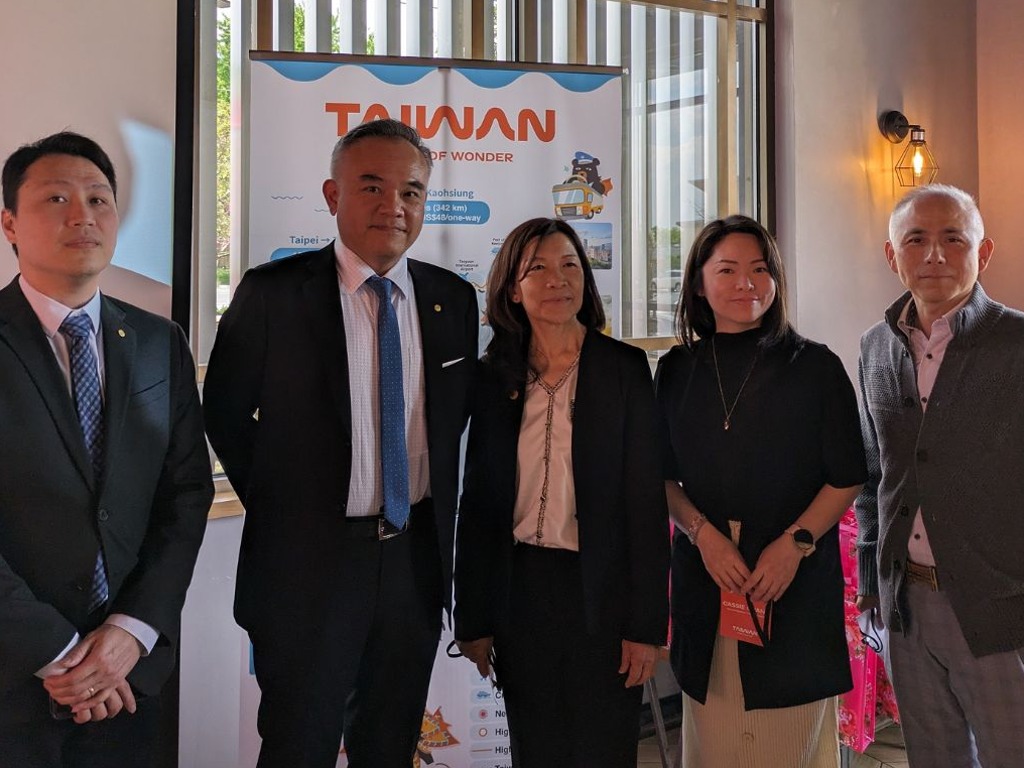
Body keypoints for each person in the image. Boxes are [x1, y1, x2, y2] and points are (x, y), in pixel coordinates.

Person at [203, 118, 478, 768]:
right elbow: (224, 413)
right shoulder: (274, 294)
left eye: (411, 191)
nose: (394, 206)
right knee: (299, 745)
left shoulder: (452, 299)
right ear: (333, 195)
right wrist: (288, 507)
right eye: (372, 187)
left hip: (412, 565)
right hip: (308, 569)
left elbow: (454, 423)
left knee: (391, 744)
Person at [0, 131, 213, 767]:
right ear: (9, 223)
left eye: (98, 199)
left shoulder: (158, 341)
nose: (83, 216)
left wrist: (130, 631)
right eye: (56, 199)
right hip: (15, 676)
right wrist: (61, 653)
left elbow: (186, 494)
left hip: (133, 676)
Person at [454, 217, 669, 767]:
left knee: (605, 748)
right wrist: (473, 618)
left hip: (603, 593)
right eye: (538, 269)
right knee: (537, 747)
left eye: (570, 265)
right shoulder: (493, 376)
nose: (558, 279)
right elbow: (478, 504)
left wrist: (646, 627)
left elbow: (646, 506)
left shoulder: (623, 370)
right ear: (512, 288)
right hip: (521, 591)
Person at [654, 215, 866, 767]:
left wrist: (795, 544)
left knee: (789, 742)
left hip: (789, 580)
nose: (746, 283)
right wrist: (702, 535)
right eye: (727, 270)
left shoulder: (815, 366)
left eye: (760, 268)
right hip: (709, 578)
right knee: (713, 740)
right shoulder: (677, 370)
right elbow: (661, 477)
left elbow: (847, 474)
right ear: (699, 284)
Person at [855, 184, 1024, 768]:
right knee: (933, 756)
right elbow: (874, 476)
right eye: (916, 240)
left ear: (984, 251)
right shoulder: (875, 347)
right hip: (906, 604)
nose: (934, 255)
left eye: (953, 238)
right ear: (891, 254)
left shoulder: (1017, 344)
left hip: (1001, 604)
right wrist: (871, 581)